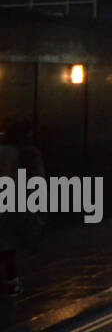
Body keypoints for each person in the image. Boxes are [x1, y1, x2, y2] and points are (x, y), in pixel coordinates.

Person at [0, 117, 44, 297]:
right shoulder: (29, 152)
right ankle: (12, 283)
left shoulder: (3, 151)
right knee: (8, 245)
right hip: (15, 203)